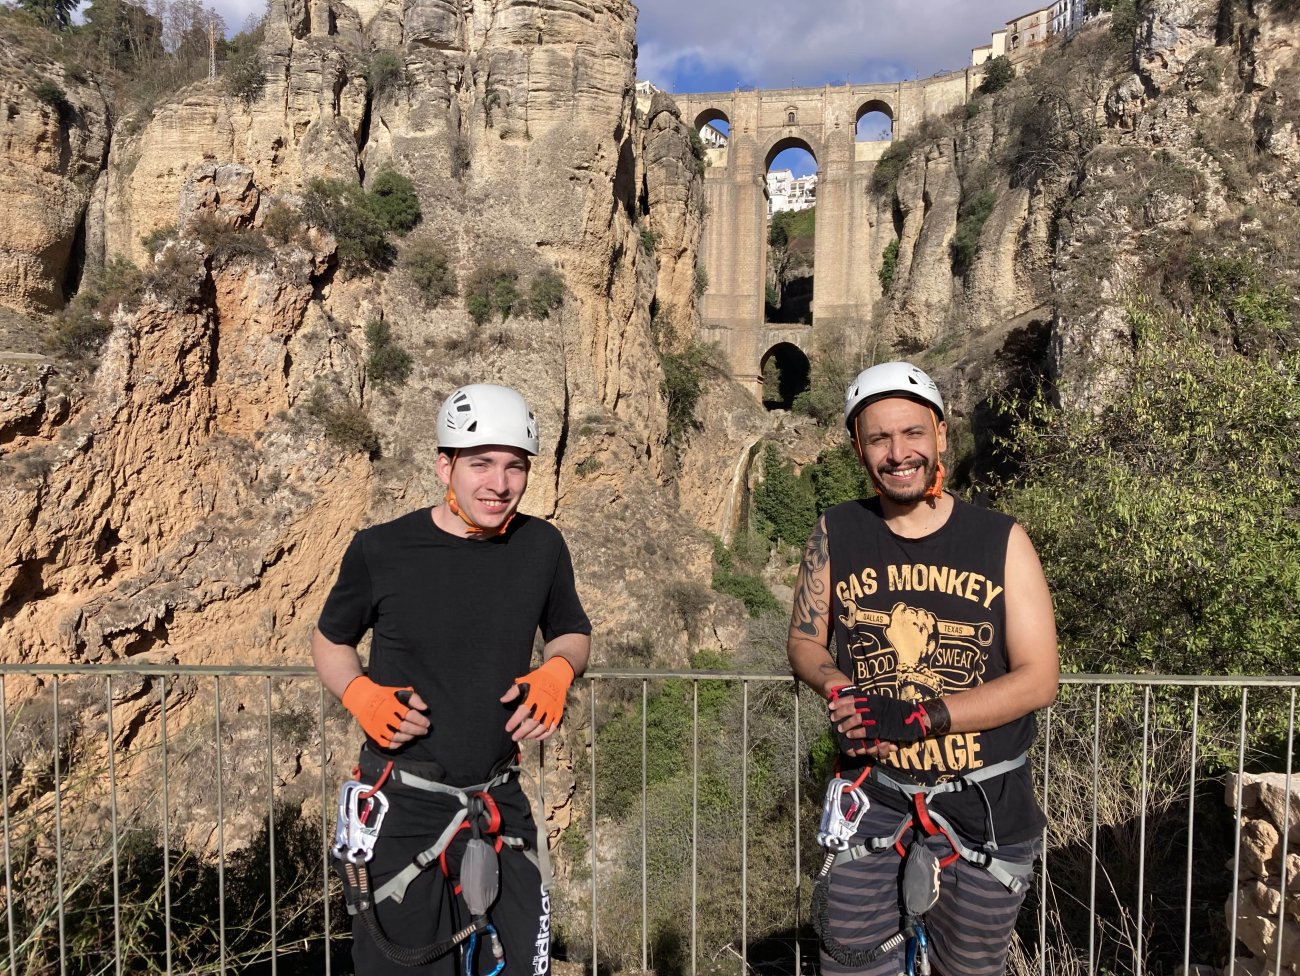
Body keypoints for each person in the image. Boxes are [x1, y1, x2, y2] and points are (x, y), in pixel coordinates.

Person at [786, 362, 1058, 976]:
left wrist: (924, 715)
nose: (897, 452)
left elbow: (1040, 678)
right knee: (852, 961)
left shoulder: (1001, 539)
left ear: (938, 433)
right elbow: (805, 639)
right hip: (870, 795)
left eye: (911, 433)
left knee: (969, 966)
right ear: (859, 447)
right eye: (878, 438)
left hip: (984, 801)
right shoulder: (837, 530)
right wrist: (838, 686)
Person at [312, 383, 591, 976]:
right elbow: (331, 638)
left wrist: (557, 671)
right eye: (481, 463)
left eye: (515, 466)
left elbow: (571, 632)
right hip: (402, 802)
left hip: (498, 801)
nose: (499, 483)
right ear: (446, 465)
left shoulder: (541, 546)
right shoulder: (381, 549)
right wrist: (359, 694)